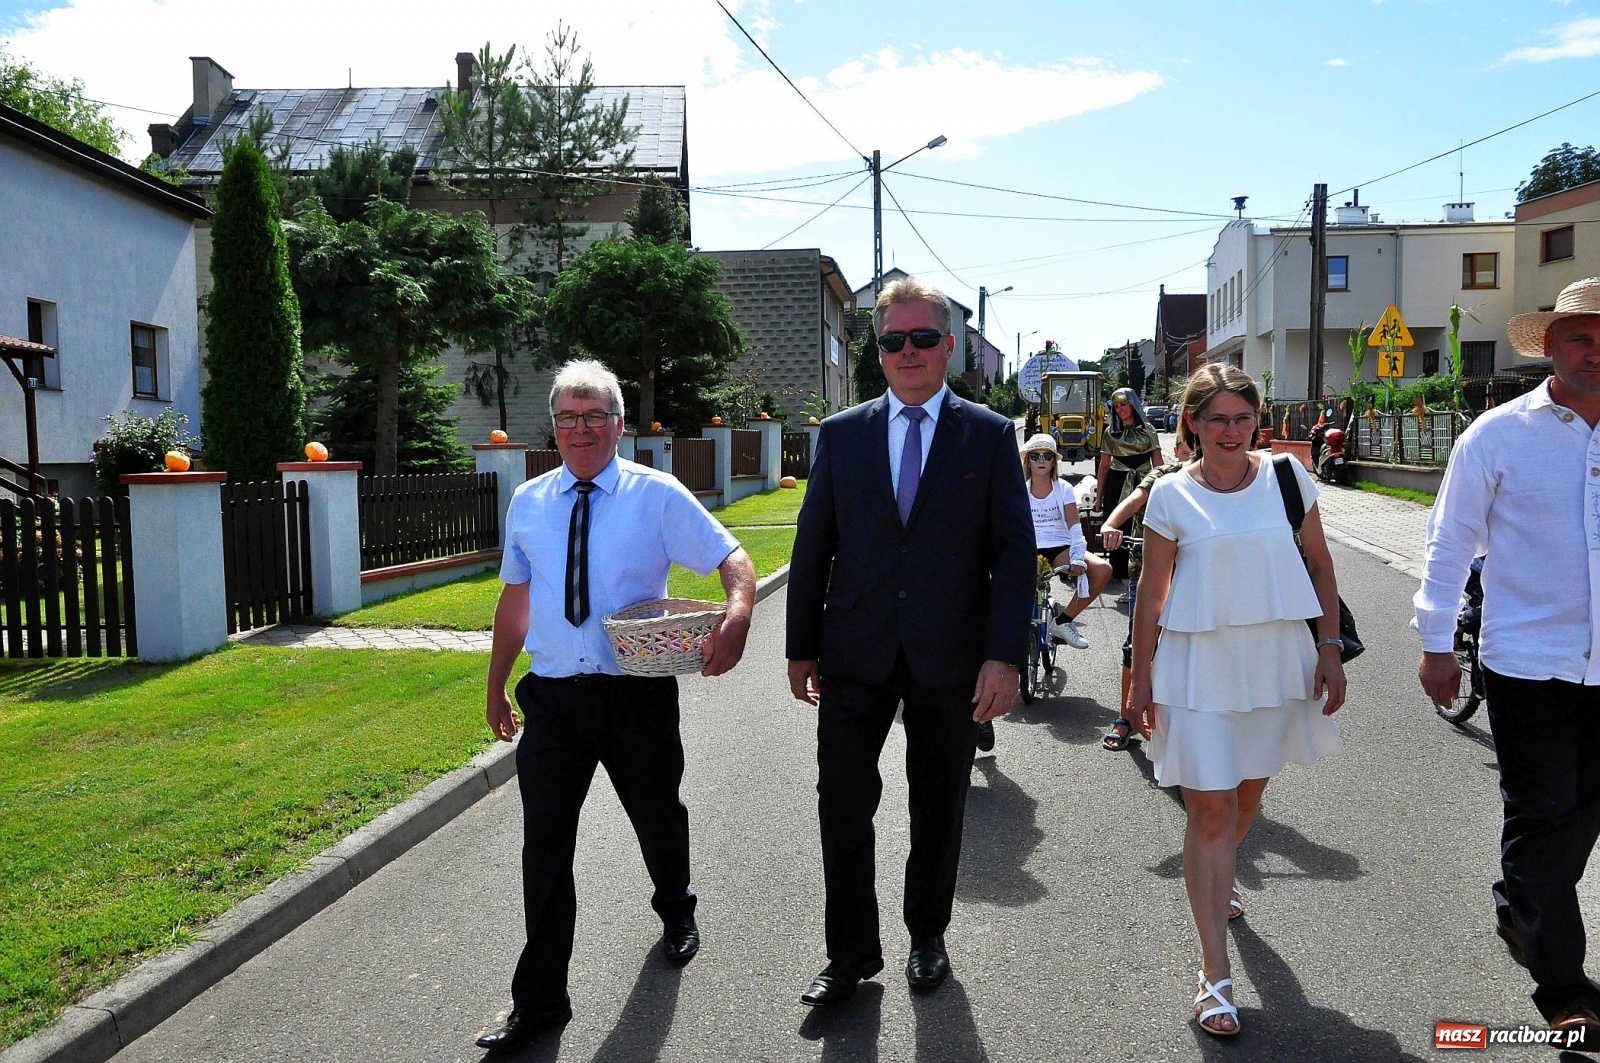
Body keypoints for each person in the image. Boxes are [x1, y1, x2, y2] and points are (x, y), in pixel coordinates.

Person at [476, 360, 757, 1052]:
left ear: (619, 424)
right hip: (553, 700)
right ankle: (540, 1000)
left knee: (659, 815)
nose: (581, 428)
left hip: (636, 692)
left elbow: (733, 558)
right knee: (544, 847)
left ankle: (676, 907)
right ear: (554, 424)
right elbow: (516, 599)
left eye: (594, 414)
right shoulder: (529, 502)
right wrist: (495, 684)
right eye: (569, 416)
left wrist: (740, 613)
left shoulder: (654, 494)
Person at [786, 276, 1034, 1006]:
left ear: (949, 347)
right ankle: (851, 954)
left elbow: (1014, 554)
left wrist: (1004, 654)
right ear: (879, 349)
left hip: (950, 657)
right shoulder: (841, 434)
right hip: (854, 651)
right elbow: (813, 547)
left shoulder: (988, 436)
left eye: (924, 337)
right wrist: (801, 646)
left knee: (937, 804)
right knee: (842, 802)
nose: (909, 351)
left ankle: (928, 935)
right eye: (893, 340)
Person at [1128, 364, 1346, 1037]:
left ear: (1258, 419)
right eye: (1216, 417)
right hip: (1198, 666)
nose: (1230, 429)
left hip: (1276, 659)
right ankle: (1214, 973)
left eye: (1241, 416)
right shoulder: (1169, 495)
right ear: (1191, 422)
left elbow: (1318, 561)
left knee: (1249, 794)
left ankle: (1218, 876)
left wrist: (1331, 646)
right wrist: (1140, 678)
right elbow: (1152, 592)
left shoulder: (1287, 477)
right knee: (1212, 807)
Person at [1415, 277, 1600, 1042]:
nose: (1595, 352)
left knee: (1584, 810)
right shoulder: (1494, 435)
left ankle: (1520, 903)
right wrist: (1434, 642)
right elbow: (1449, 540)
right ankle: (1563, 986)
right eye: (1581, 337)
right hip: (1526, 660)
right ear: (1550, 345)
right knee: (1542, 808)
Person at [1097, 435, 1189, 751]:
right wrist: (1111, 524)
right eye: (1184, 447)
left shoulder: (1218, 481)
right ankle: (1125, 718)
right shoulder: (1163, 476)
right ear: (1175, 451)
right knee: (1136, 644)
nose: (1190, 452)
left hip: (1192, 576)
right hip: (1147, 569)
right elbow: (1135, 499)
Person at [1019, 433, 1113, 653]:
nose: (1041, 460)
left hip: (1061, 547)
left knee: (1102, 569)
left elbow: (1074, 527)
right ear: (1027, 461)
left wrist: (1078, 557)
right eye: (1035, 456)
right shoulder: (1019, 488)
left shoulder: (1064, 488)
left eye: (1046, 456)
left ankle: (1062, 622)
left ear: (1054, 460)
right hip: (1029, 547)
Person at [1095, 386, 1163, 519]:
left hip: (1144, 483)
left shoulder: (1148, 430)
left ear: (1133, 404)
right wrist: (1099, 497)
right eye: (1116, 406)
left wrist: (1165, 493)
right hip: (1117, 485)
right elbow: (1104, 466)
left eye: (1123, 404)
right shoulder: (1110, 432)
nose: (1120, 409)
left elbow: (1159, 465)